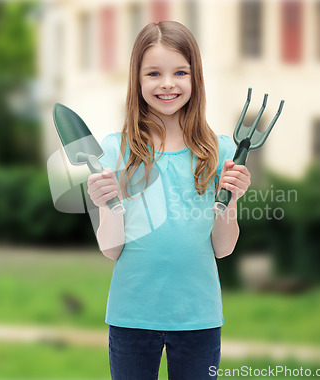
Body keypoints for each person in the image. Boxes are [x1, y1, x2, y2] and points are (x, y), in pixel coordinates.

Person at [87, 21, 251, 379]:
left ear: (196, 79)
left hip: (198, 317)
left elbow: (223, 248)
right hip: (132, 315)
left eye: (180, 72)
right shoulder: (116, 150)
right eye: (154, 73)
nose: (167, 83)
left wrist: (232, 197)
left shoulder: (220, 151)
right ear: (137, 80)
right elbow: (111, 250)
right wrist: (104, 202)